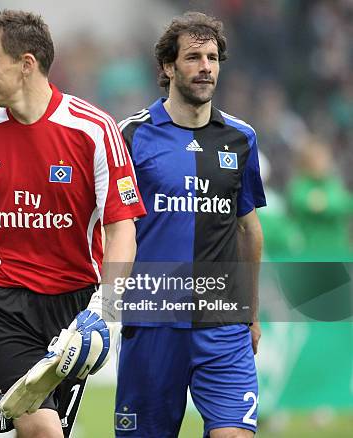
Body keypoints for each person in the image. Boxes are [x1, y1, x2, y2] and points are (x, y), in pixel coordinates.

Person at [0, 10, 146, 438]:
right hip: (2, 298)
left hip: (75, 307)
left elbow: (122, 226)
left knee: (53, 432)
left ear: (27, 64)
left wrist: (106, 309)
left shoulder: (94, 130)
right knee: (41, 430)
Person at [115, 12, 265, 438]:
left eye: (213, 57)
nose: (206, 67)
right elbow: (111, 227)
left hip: (223, 321)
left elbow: (248, 229)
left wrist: (250, 315)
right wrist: (105, 307)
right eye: (194, 56)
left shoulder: (241, 138)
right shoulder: (131, 135)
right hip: (153, 319)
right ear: (167, 67)